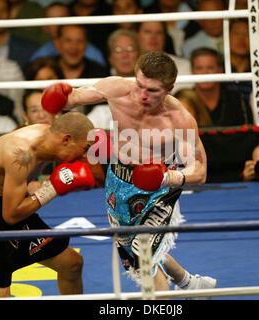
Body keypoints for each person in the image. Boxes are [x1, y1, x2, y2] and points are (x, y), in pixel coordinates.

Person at [41, 51, 217, 295]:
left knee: (143, 253)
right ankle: (189, 282)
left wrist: (167, 178)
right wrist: (61, 98)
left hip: (160, 189)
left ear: (169, 89)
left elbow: (199, 171)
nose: (143, 95)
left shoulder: (179, 119)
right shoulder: (117, 88)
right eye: (140, 85)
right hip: (119, 179)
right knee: (133, 249)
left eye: (152, 90)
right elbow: (75, 98)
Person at [0, 111, 96, 298]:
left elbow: (21, 179)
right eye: (84, 149)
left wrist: (34, 185)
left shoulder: (49, 138)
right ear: (66, 139)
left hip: (14, 202)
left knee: (72, 264)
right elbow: (11, 214)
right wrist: (52, 188)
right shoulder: (21, 153)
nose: (83, 156)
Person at [191, 47, 250, 126]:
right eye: (199, 68)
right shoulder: (185, 102)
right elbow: (182, 136)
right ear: (192, 71)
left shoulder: (237, 99)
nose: (204, 73)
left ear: (220, 70)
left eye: (210, 68)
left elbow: (248, 135)